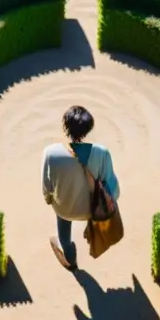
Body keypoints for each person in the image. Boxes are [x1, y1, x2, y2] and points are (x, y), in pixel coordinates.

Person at [41, 105, 121, 270]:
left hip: (65, 208)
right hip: (92, 211)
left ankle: (69, 254)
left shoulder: (50, 152)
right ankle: (90, 233)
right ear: (88, 129)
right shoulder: (102, 152)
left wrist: (49, 200)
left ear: (65, 126)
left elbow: (46, 187)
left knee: (62, 217)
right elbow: (113, 187)